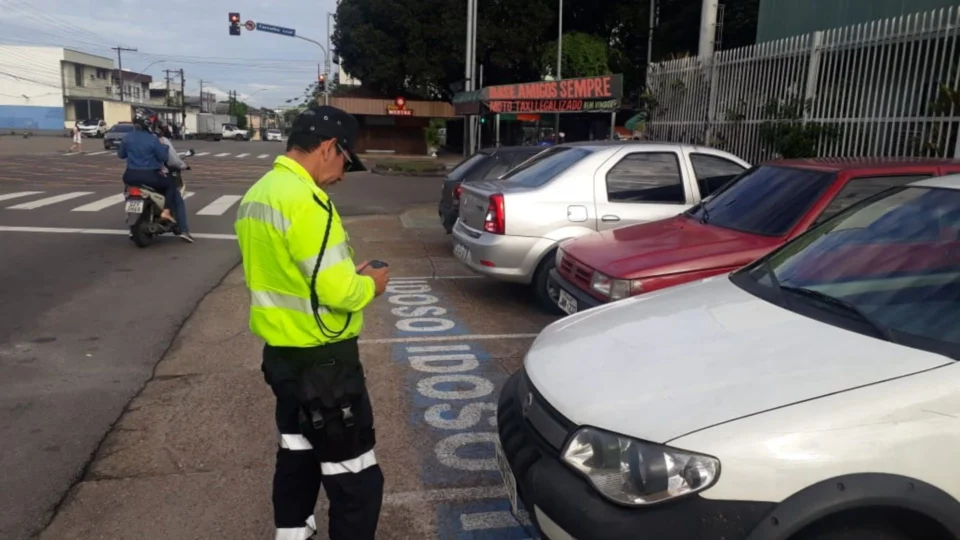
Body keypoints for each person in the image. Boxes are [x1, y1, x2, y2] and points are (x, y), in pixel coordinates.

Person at [235, 104, 389, 540]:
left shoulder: (259, 194)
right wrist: (370, 285)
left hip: (282, 359)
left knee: (297, 456)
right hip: (326, 366)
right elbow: (339, 292)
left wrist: (341, 278)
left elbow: (292, 277)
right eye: (344, 159)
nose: (342, 173)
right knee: (356, 479)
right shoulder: (306, 201)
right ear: (327, 148)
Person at [118, 113, 194, 243]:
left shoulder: (127, 137)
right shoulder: (153, 139)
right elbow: (164, 158)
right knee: (171, 186)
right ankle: (168, 214)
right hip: (150, 175)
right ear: (149, 125)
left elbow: (121, 155)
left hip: (130, 175)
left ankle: (132, 227)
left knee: (129, 192)